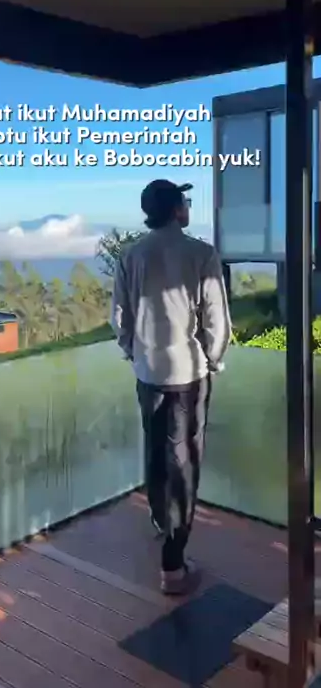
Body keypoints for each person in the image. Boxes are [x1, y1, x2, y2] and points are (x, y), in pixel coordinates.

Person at [111, 179, 231, 595]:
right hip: (187, 376)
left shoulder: (130, 255)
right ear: (177, 209)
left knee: (156, 453)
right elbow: (216, 319)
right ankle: (174, 565)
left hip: (148, 374)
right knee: (183, 462)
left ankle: (162, 523)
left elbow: (120, 318)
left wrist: (135, 352)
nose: (188, 207)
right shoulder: (201, 253)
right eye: (186, 202)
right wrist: (212, 359)